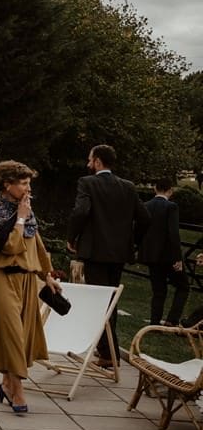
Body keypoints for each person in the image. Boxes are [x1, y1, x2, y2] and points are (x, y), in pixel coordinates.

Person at [0, 160, 62, 413]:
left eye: (29, 183)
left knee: (25, 334)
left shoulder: (26, 208)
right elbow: (10, 247)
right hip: (2, 277)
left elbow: (36, 243)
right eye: (24, 184)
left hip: (28, 278)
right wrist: (19, 219)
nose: (28, 189)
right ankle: (18, 390)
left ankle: (7, 382)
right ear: (7, 185)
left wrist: (47, 274)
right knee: (12, 333)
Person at [67, 144, 150, 368]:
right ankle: (107, 350)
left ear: (98, 162)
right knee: (110, 302)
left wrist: (72, 237)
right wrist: (133, 242)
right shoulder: (128, 187)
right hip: (118, 254)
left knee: (99, 303)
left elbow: (81, 211)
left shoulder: (87, 183)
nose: (87, 164)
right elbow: (144, 217)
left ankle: (108, 353)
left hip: (95, 252)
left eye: (90, 160)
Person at [140, 177, 189, 326]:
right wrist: (178, 258)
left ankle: (155, 321)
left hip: (151, 256)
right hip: (168, 256)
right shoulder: (171, 207)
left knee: (158, 290)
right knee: (183, 287)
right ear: (170, 191)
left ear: (155, 188)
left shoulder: (146, 206)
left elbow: (139, 230)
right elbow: (173, 233)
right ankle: (172, 319)